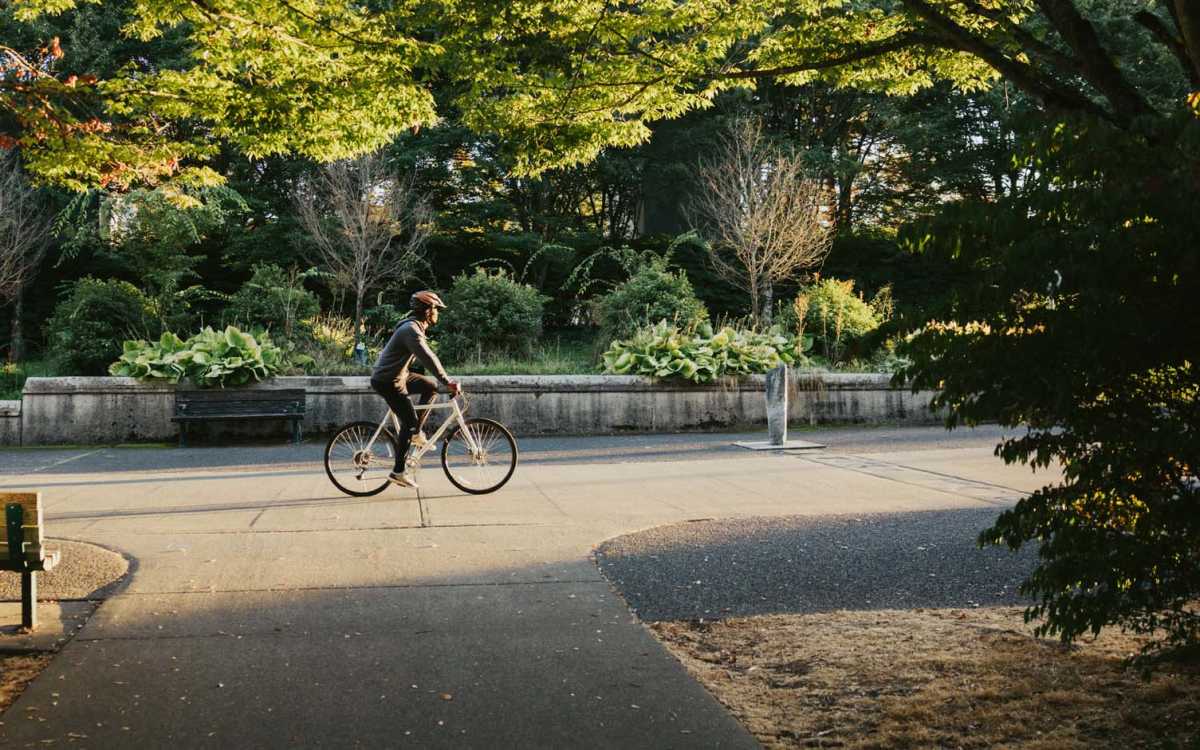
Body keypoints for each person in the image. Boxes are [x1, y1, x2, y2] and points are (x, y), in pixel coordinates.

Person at [370, 290, 460, 488]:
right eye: (436, 309)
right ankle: (398, 471)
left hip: (399, 376)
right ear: (428, 310)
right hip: (388, 381)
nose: (438, 313)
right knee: (408, 421)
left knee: (431, 386)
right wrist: (449, 381)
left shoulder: (415, 327)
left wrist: (442, 382)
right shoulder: (411, 330)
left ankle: (416, 433)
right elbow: (428, 358)